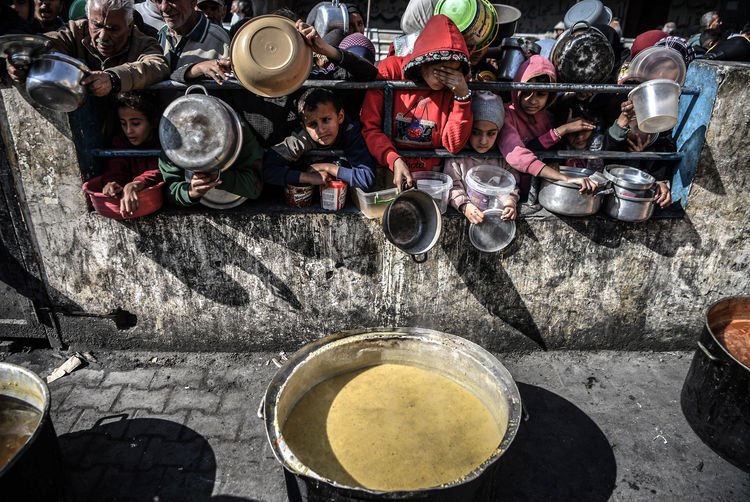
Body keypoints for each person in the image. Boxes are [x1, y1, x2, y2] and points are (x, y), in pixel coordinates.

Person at [360, 14, 473, 188]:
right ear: (423, 62)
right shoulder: (390, 71)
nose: (445, 77)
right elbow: (370, 127)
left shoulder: (454, 86)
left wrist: (462, 97)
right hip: (389, 173)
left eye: (452, 72)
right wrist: (393, 159)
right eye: (439, 69)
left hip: (431, 178)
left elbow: (453, 145)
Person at [5, 0, 169, 97]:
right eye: (96, 25)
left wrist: (113, 78)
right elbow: (46, 43)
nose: (103, 36)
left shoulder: (143, 42)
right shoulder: (75, 32)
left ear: (129, 26)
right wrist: (22, 60)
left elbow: (156, 65)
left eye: (113, 29)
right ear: (87, 18)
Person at [497, 55, 598, 199]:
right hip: (508, 192)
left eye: (541, 94)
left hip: (539, 190)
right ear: (516, 88)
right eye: (526, 92)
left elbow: (552, 150)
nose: (532, 100)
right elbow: (519, 155)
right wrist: (562, 130)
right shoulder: (507, 113)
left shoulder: (548, 116)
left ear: (550, 96)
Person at [263, 88, 375, 191]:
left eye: (326, 120)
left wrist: (326, 167)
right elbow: (267, 170)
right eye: (312, 124)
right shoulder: (301, 138)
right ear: (304, 126)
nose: (321, 130)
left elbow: (366, 178)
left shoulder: (350, 132)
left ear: (340, 116)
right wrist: (308, 177)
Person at [444, 91, 520, 224]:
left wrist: (509, 203)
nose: (483, 141)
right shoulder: (457, 159)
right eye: (475, 132)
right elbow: (452, 186)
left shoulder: (503, 157)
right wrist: (464, 206)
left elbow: (509, 184)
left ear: (499, 132)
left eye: (491, 133)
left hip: (494, 216)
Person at [159, 113, 265, 207]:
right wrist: (190, 192)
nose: (198, 139)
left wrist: (217, 177)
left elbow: (255, 185)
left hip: (236, 199)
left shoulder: (236, 128)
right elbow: (170, 189)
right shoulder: (172, 136)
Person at [91, 92, 163, 218]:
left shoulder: (162, 140)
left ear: (152, 122)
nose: (129, 131)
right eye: (124, 124)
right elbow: (116, 169)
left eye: (136, 123)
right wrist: (112, 184)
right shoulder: (120, 142)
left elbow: (161, 169)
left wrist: (136, 184)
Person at [606, 100, 673, 209]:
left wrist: (661, 185)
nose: (638, 131)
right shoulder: (613, 143)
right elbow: (612, 142)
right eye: (634, 125)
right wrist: (624, 119)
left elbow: (659, 180)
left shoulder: (662, 148)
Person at [155, 0, 230, 83]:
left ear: (193, 2)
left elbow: (231, 88)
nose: (164, 7)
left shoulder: (219, 40)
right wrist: (195, 70)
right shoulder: (160, 35)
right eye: (158, 0)